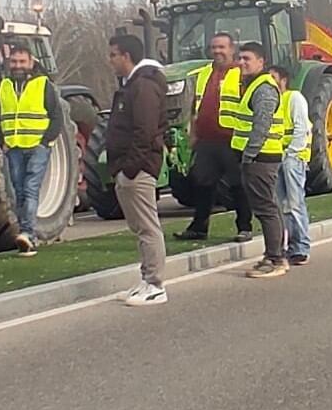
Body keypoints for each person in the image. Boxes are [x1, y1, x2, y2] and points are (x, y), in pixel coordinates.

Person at [104, 33, 169, 307]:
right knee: (139, 227)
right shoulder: (132, 86)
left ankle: (155, 284)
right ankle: (146, 279)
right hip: (128, 167)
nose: (111, 61)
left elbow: (145, 131)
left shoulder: (143, 86)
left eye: (113, 55)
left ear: (126, 56)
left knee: (147, 227)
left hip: (138, 168)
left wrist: (129, 169)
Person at [0, 42, 66, 254]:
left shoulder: (43, 84)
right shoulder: (3, 86)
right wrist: (0, 141)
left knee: (30, 189)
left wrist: (46, 141)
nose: (18, 65)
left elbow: (56, 116)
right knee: (18, 191)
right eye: (14, 61)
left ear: (31, 62)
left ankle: (27, 233)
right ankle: (27, 234)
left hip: (37, 146)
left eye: (22, 61)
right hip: (13, 147)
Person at [173, 33, 252, 243]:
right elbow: (195, 105)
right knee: (201, 183)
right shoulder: (204, 73)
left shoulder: (241, 73)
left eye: (222, 47)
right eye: (214, 47)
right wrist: (193, 132)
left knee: (237, 185)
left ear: (232, 49)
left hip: (231, 139)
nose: (217, 51)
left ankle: (245, 227)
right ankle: (199, 227)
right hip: (206, 140)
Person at [232, 42, 287, 280]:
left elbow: (261, 125)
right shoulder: (255, 85)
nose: (242, 62)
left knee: (266, 208)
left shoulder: (263, 89)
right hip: (260, 156)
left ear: (261, 62)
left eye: (247, 58)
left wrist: (249, 154)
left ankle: (275, 258)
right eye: (240, 58)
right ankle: (275, 254)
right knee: (269, 206)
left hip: (261, 157)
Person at [270, 65, 312, 267]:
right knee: (281, 205)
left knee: (294, 203)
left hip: (293, 157)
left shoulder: (293, 98)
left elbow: (300, 127)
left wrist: (291, 153)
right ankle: (288, 246)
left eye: (273, 77)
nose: (270, 81)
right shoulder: (273, 101)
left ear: (284, 80)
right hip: (277, 157)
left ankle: (301, 247)